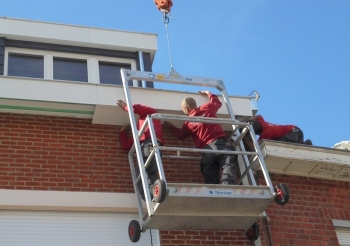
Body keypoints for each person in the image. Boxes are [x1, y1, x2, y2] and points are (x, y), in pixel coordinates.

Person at [164, 91, 237, 185]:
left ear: (186, 109)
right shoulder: (206, 107)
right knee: (228, 163)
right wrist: (208, 93)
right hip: (221, 144)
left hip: (207, 150)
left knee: (211, 177)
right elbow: (217, 103)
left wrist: (171, 126)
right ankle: (227, 186)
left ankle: (214, 194)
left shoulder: (188, 122)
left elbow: (180, 135)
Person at [117, 100, 164, 201]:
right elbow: (127, 146)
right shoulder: (140, 132)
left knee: (146, 172)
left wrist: (126, 107)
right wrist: (122, 133)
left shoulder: (151, 113)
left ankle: (155, 195)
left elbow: (138, 108)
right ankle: (150, 197)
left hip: (149, 144)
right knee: (143, 175)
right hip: (151, 146)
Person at [243, 114, 312, 151]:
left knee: (278, 146)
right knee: (295, 144)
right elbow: (258, 115)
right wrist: (250, 121)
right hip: (295, 131)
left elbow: (253, 147)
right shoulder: (262, 122)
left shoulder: (266, 133)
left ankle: (305, 145)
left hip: (293, 132)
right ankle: (305, 144)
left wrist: (244, 137)